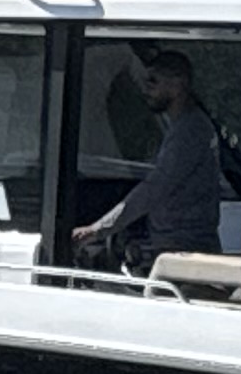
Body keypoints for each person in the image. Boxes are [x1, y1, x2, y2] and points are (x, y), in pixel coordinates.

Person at [74, 47, 227, 271]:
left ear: (178, 85)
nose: (145, 89)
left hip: (186, 252)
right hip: (175, 248)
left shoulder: (189, 131)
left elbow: (155, 188)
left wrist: (97, 229)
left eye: (153, 81)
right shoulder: (186, 126)